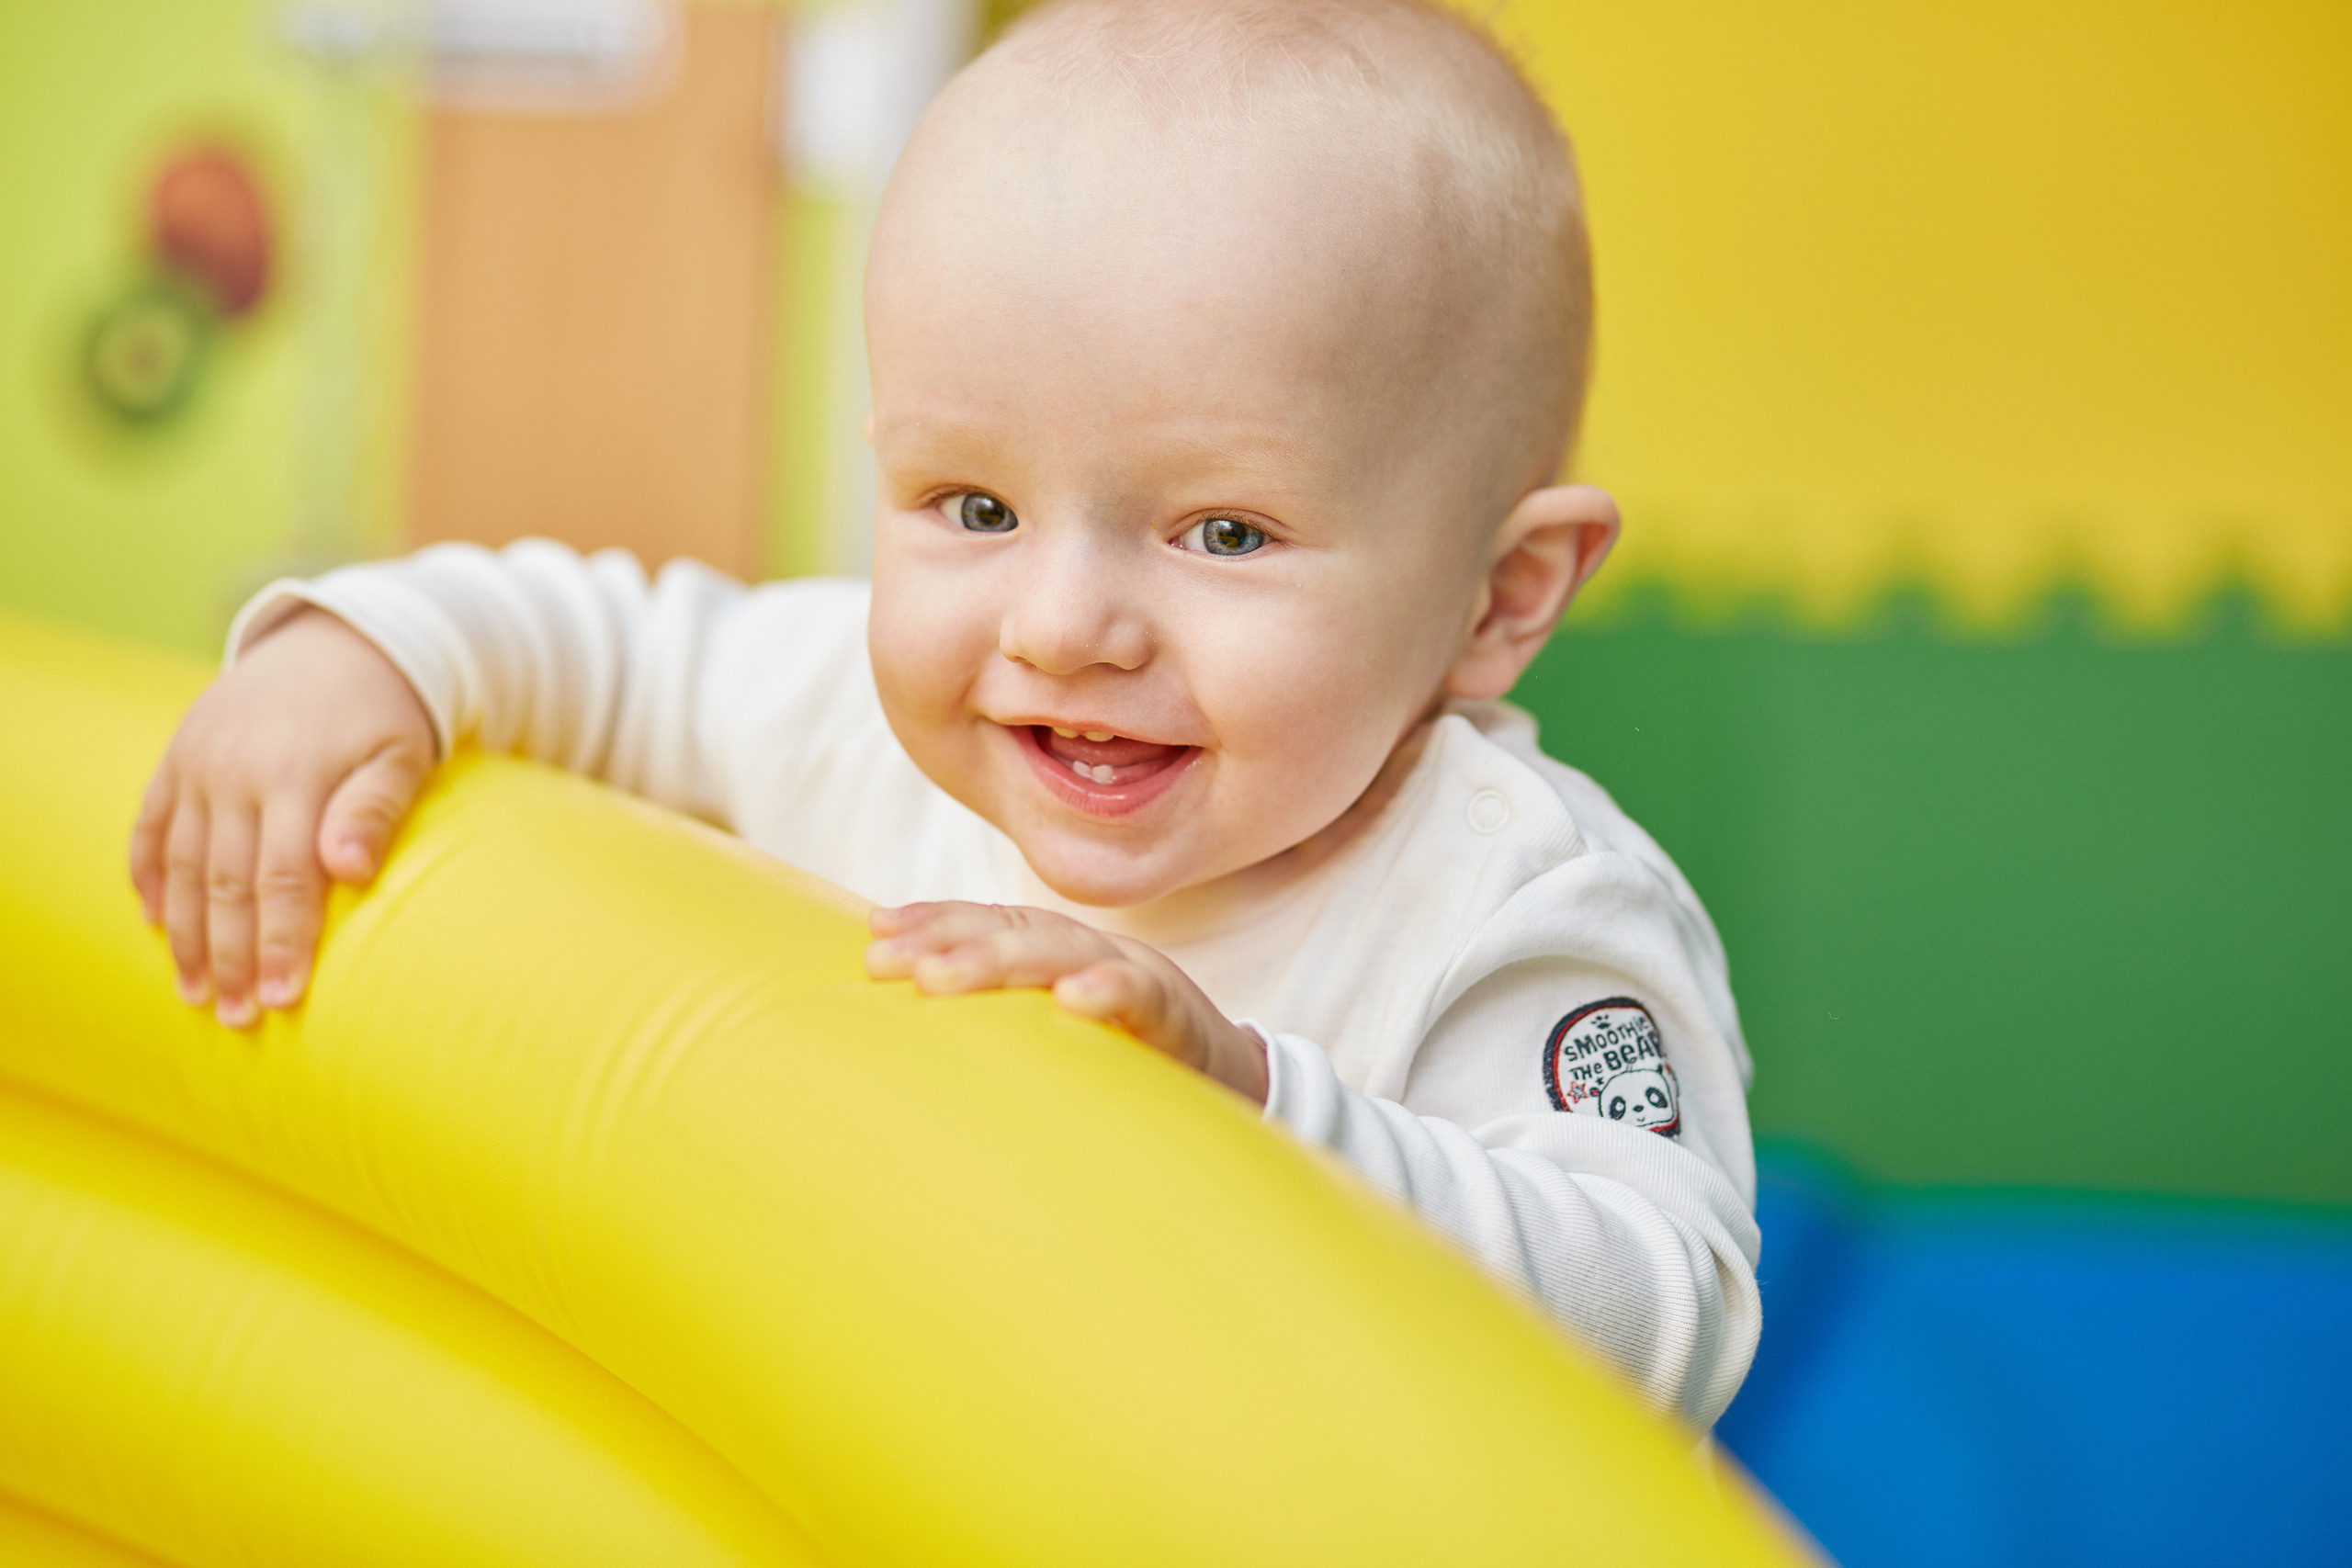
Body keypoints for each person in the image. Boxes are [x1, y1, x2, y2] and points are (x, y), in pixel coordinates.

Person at [128, 0, 1760, 1427]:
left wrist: (1257, 1108)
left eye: (1224, 534)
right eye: (973, 506)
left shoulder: (1514, 903)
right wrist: (366, 654)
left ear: (1501, 599)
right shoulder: (852, 707)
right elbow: (609, 642)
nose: (1057, 630)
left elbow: (1662, 1311)